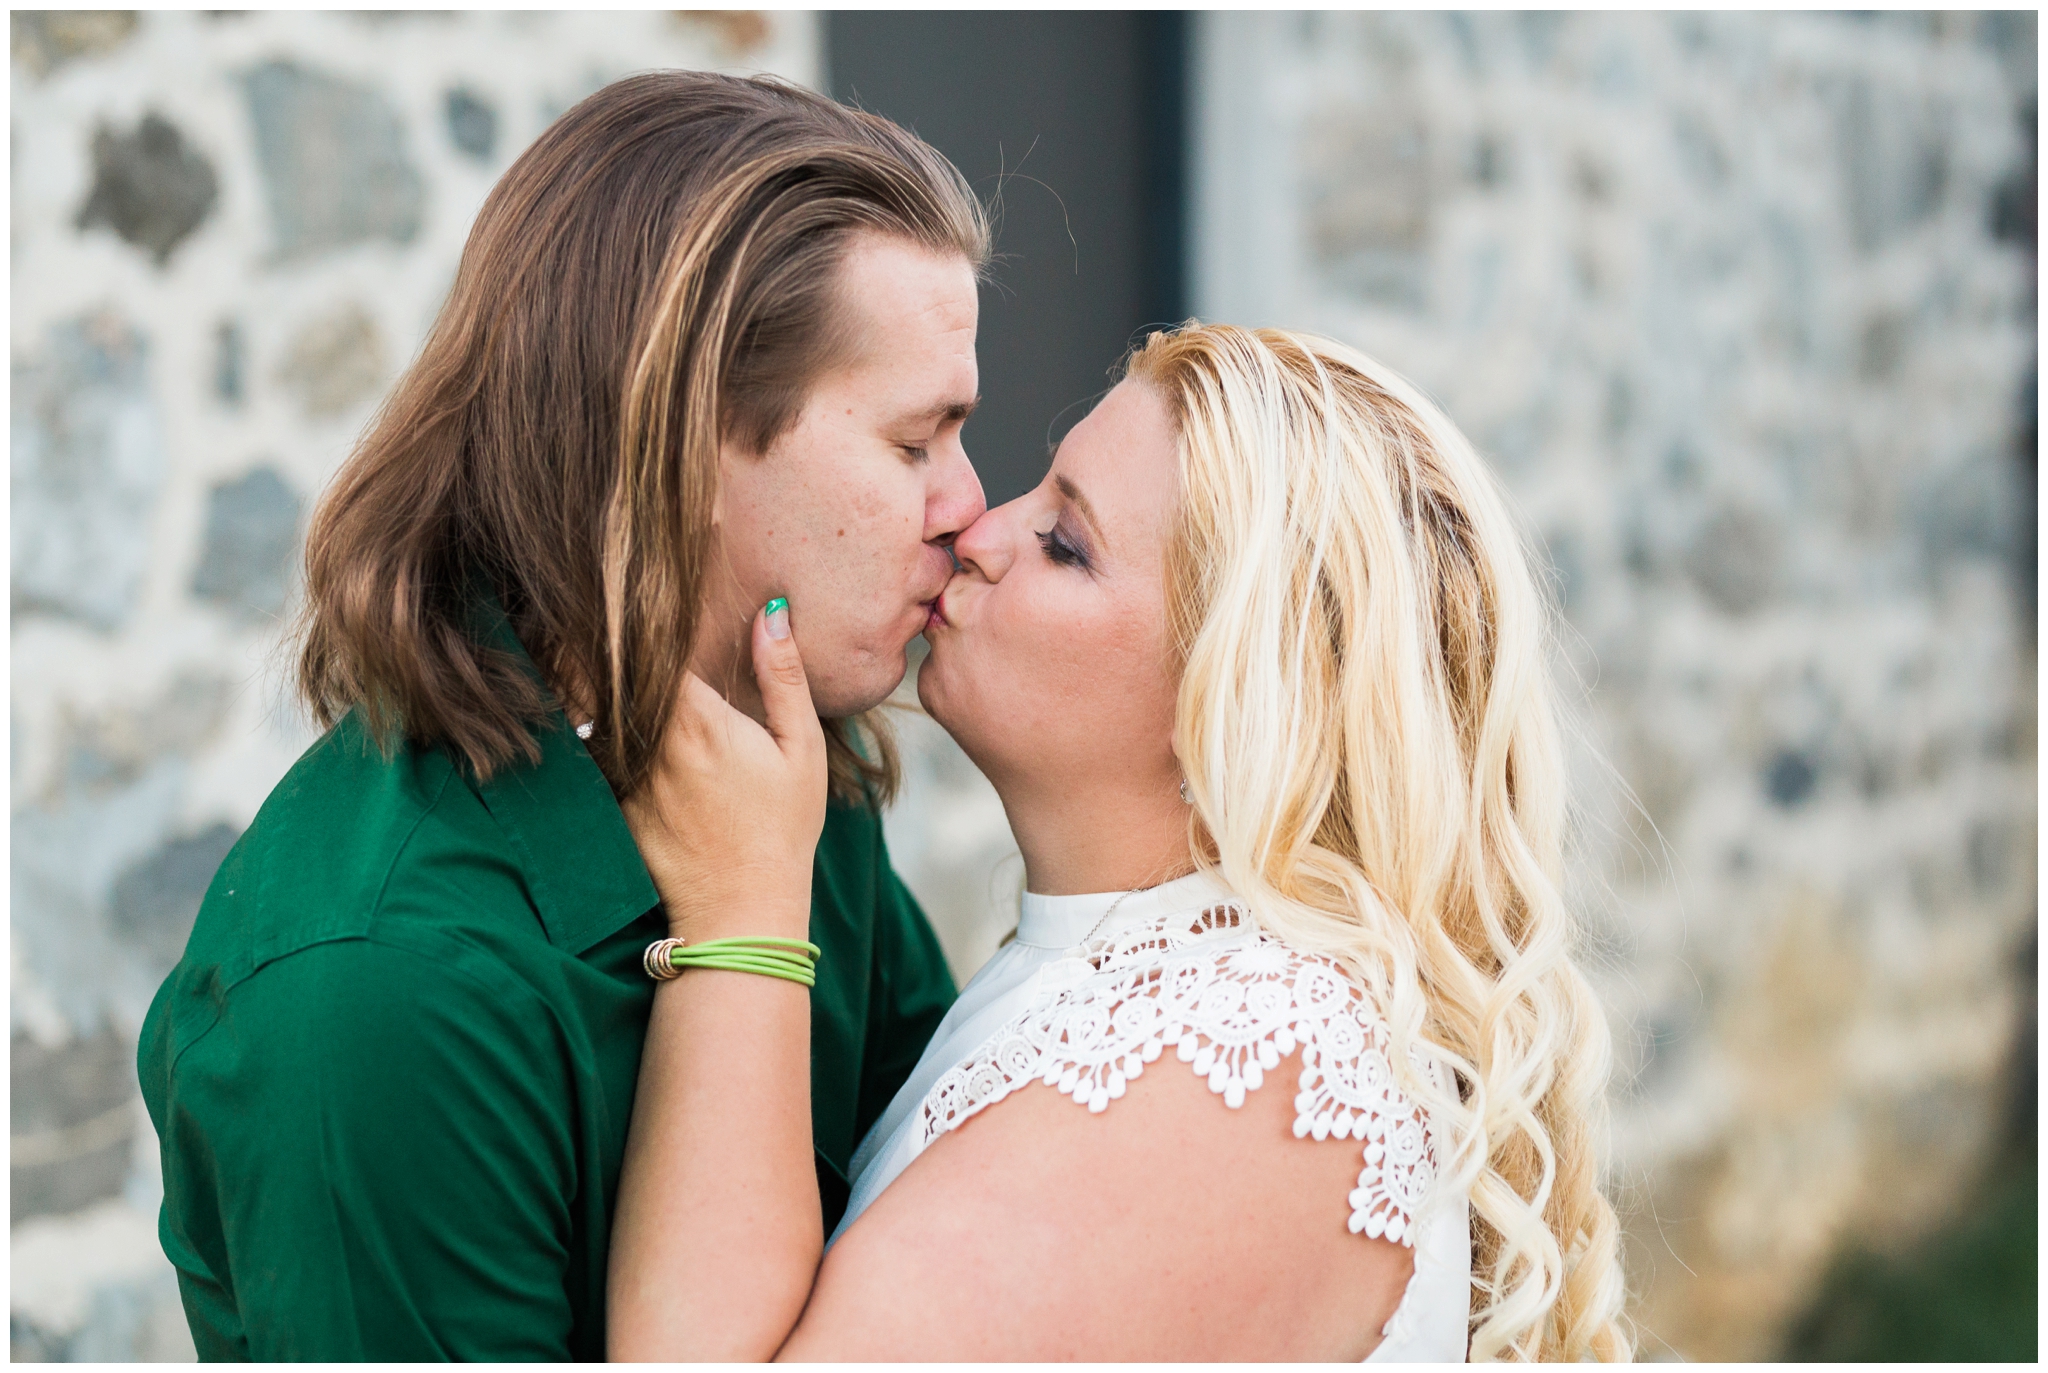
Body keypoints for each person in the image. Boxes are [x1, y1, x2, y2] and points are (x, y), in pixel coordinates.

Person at [137, 72, 991, 1360]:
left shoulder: (789, 778)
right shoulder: (377, 992)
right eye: (914, 442)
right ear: (684, 431)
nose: (967, 509)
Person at [607, 324, 1633, 1361]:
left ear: (1234, 712)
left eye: (1065, 542)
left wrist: (740, 914)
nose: (977, 530)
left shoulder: (1251, 1064)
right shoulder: (1146, 987)